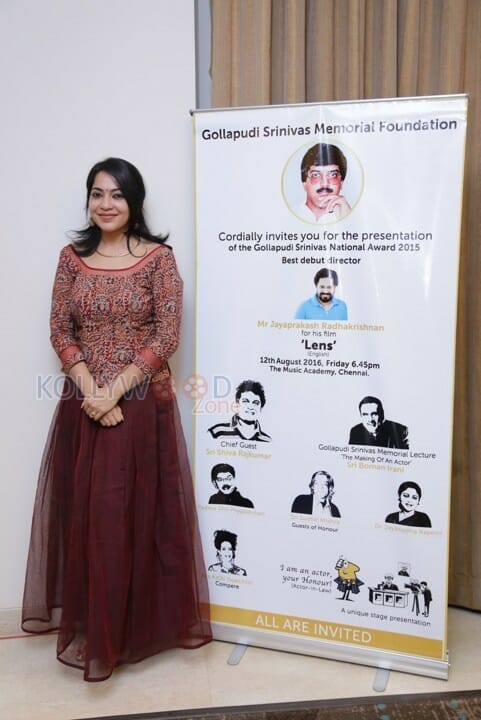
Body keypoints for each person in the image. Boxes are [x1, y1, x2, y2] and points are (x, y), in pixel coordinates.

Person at [21, 158, 212, 681]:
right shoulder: (71, 258)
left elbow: (166, 336)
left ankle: (132, 629)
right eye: (97, 194)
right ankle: (96, 624)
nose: (106, 204)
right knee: (91, 515)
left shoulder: (159, 259)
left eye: (117, 195)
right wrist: (92, 392)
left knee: (135, 515)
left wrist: (115, 393)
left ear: (134, 202)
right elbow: (61, 328)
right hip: (83, 405)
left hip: (142, 403)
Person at [297, 142, 351, 222]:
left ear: (341, 183)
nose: (325, 184)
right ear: (304, 184)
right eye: (315, 175)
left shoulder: (351, 216)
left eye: (333, 175)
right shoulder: (287, 217)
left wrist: (349, 219)